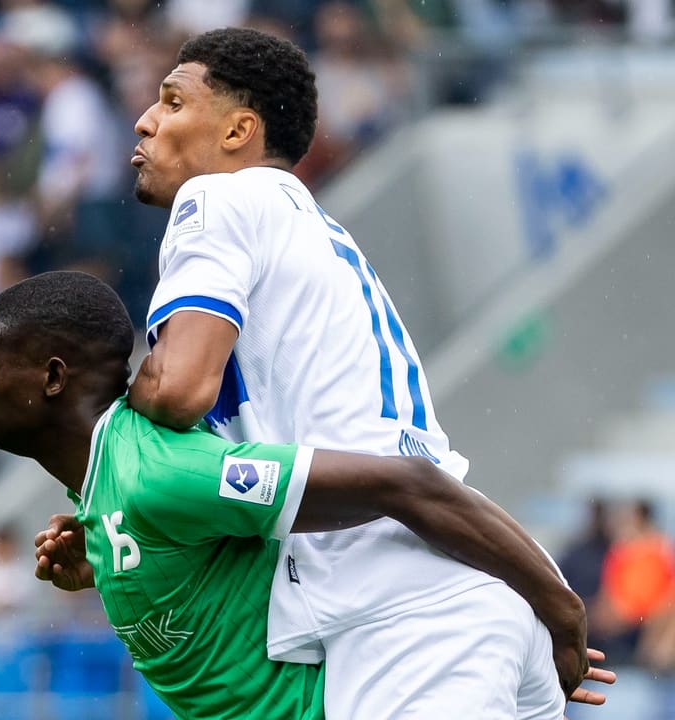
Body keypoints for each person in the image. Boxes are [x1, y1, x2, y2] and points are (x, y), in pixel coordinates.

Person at [38, 27, 607, 719]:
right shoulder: (311, 233)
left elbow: (180, 391)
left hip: (403, 621)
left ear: (239, 130)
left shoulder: (218, 203)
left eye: (174, 100)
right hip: (458, 599)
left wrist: (113, 437)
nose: (145, 119)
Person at [0, 272, 611, 719]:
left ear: (53, 377)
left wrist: (562, 612)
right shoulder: (111, 487)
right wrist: (110, 564)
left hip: (400, 683)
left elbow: (406, 483)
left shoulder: (157, 472)